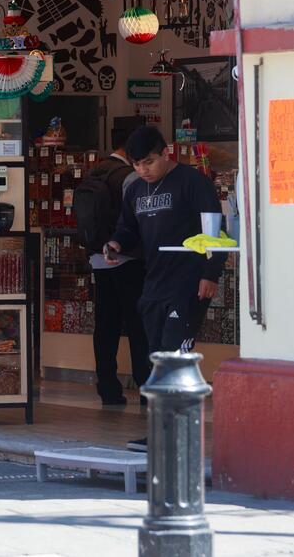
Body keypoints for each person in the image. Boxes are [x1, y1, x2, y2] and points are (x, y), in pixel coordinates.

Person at [105, 126, 225, 451]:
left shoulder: (192, 183)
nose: (143, 170)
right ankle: (160, 432)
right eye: (137, 164)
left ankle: (178, 435)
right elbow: (127, 228)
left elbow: (215, 228)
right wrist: (116, 242)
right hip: (153, 285)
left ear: (166, 152)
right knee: (155, 362)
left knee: (176, 358)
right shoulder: (135, 192)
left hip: (188, 284)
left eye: (149, 162)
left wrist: (211, 273)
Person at [74, 133, 150, 407]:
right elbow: (140, 216)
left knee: (106, 324)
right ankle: (145, 387)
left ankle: (107, 387)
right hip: (127, 259)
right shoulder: (128, 176)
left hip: (98, 258)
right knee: (139, 324)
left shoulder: (94, 172)